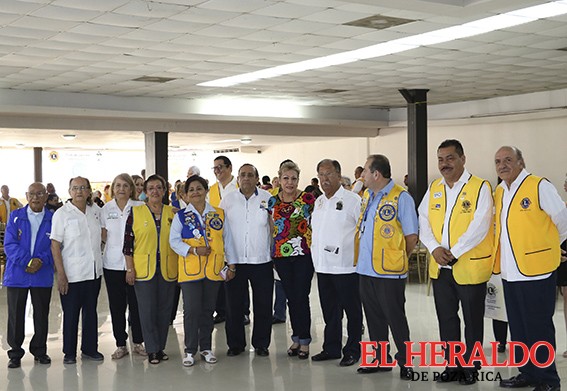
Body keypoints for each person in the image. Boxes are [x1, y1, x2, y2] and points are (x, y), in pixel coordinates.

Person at [418, 139, 494, 385]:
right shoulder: (435, 188)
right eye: (440, 159)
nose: (444, 164)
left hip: (469, 266)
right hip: (440, 268)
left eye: (450, 158)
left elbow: (480, 226)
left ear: (463, 158)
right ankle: (452, 364)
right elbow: (423, 220)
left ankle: (471, 366)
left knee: (472, 321)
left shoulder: (480, 187)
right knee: (447, 319)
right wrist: (434, 248)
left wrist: (453, 252)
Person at [494, 146, 566, 391]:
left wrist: (553, 247)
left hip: (538, 271)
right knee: (519, 327)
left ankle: (549, 381)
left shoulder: (539, 185)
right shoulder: (500, 191)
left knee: (539, 328)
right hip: (510, 272)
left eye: (508, 160)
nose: (502, 165)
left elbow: (563, 220)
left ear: (521, 162)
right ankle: (528, 373)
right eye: (498, 162)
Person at [355, 155, 418, 380]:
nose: (361, 175)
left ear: (376, 174)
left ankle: (406, 361)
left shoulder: (401, 198)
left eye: (364, 171)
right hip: (365, 269)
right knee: (373, 317)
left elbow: (411, 236)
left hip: (389, 272)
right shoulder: (367, 196)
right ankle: (379, 359)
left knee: (395, 318)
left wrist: (399, 258)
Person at [169, 175, 228, 366]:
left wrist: (231, 264)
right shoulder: (181, 216)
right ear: (185, 194)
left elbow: (228, 241)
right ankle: (189, 350)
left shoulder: (218, 214)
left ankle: (206, 348)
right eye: (191, 190)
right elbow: (174, 241)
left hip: (213, 269)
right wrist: (193, 250)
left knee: (208, 310)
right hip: (190, 271)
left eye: (199, 188)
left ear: (206, 191)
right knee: (192, 310)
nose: (195, 192)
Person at [311, 159, 362, 367]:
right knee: (329, 311)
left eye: (329, 174)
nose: (325, 179)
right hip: (323, 267)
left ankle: (353, 350)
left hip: (346, 266)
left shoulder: (352, 200)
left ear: (339, 175)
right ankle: (331, 348)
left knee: (352, 311)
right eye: (321, 175)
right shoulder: (319, 201)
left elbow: (363, 231)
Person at [123, 174, 178, 365]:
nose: (155, 191)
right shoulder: (136, 212)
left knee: (165, 310)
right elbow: (128, 245)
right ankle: (152, 349)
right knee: (146, 311)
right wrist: (129, 269)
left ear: (165, 191)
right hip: (142, 270)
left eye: (159, 188)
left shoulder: (174, 213)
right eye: (151, 188)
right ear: (145, 192)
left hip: (168, 269)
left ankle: (160, 347)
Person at [221, 164, 273, 357]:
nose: (246, 178)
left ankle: (261, 344)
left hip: (262, 260)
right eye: (243, 175)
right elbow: (222, 231)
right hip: (235, 261)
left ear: (257, 178)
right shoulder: (228, 200)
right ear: (238, 178)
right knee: (233, 306)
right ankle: (235, 344)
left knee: (263, 304)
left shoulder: (268, 199)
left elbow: (274, 227)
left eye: (250, 175)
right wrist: (226, 260)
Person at [51, 177, 104, 365]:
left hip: (93, 272)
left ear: (89, 191)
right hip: (72, 274)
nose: (79, 191)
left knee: (91, 312)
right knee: (71, 314)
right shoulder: (62, 214)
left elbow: (104, 233)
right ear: (69, 191)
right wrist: (61, 275)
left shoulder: (95, 212)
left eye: (83, 188)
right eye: (75, 188)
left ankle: (90, 349)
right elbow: (55, 245)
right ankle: (69, 353)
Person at [268, 160, 316, 359]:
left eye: (293, 178)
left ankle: (304, 341)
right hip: (281, 256)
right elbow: (270, 227)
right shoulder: (272, 201)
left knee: (301, 297)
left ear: (299, 179)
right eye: (286, 178)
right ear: (279, 179)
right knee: (290, 298)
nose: (289, 182)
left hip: (304, 255)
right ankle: (295, 338)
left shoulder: (308, 199)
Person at [4, 183, 53, 368]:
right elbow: (9, 245)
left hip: (42, 274)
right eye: (32, 194)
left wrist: (41, 260)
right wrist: (27, 261)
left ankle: (40, 351)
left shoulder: (53, 218)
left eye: (40, 194)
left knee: (41, 314)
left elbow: (56, 245)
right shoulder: (16, 217)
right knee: (15, 315)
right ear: (26, 195)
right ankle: (15, 353)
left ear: (45, 197)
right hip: (17, 274)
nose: (35, 197)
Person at [101, 174, 146, 360]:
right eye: (117, 185)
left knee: (136, 305)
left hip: (136, 264)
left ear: (131, 189)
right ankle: (120, 344)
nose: (121, 189)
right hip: (112, 265)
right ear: (113, 189)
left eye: (125, 185)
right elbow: (103, 234)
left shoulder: (140, 207)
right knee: (117, 306)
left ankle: (138, 342)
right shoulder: (105, 209)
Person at [209, 156, 238, 324]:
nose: (217, 171)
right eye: (214, 168)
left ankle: (243, 312)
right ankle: (221, 311)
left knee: (237, 278)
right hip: (218, 239)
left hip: (237, 237)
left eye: (220, 167)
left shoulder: (239, 186)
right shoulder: (212, 190)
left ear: (229, 168)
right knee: (219, 276)